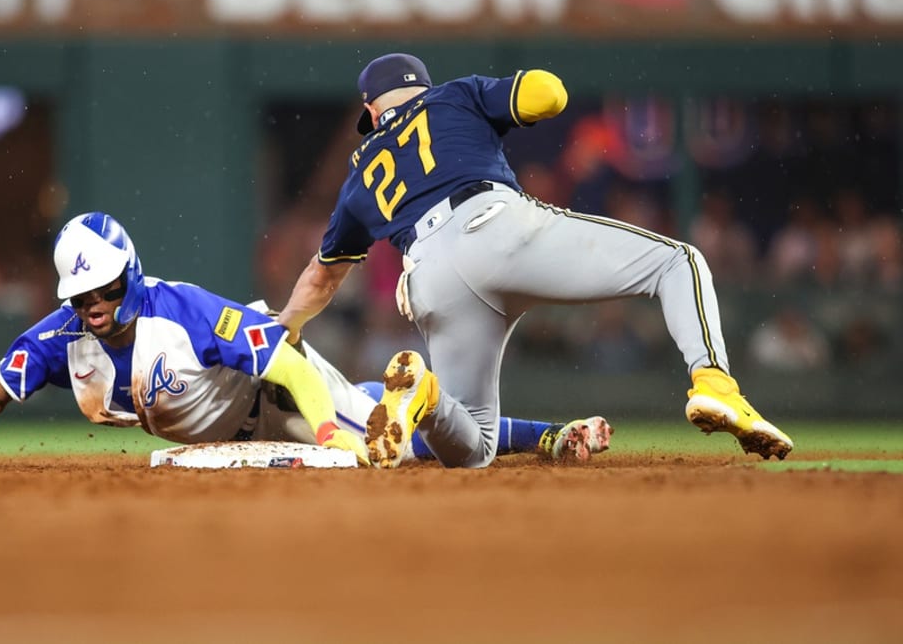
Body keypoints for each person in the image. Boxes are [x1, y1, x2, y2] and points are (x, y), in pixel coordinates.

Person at [275, 53, 793, 469]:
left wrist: (287, 330)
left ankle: (426, 396)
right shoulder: (455, 94)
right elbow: (549, 94)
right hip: (496, 229)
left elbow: (322, 276)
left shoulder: (362, 169)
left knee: (474, 445)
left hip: (429, 275)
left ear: (370, 111)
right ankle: (715, 385)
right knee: (677, 261)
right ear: (423, 85)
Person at [0, 212, 612, 468]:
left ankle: (521, 430)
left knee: (382, 445)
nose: (94, 305)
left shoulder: (183, 310)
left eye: (106, 288)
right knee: (384, 424)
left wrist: (321, 424)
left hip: (280, 394)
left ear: (132, 274)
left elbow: (282, 355)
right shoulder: (57, 339)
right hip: (234, 428)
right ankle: (539, 434)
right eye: (80, 296)